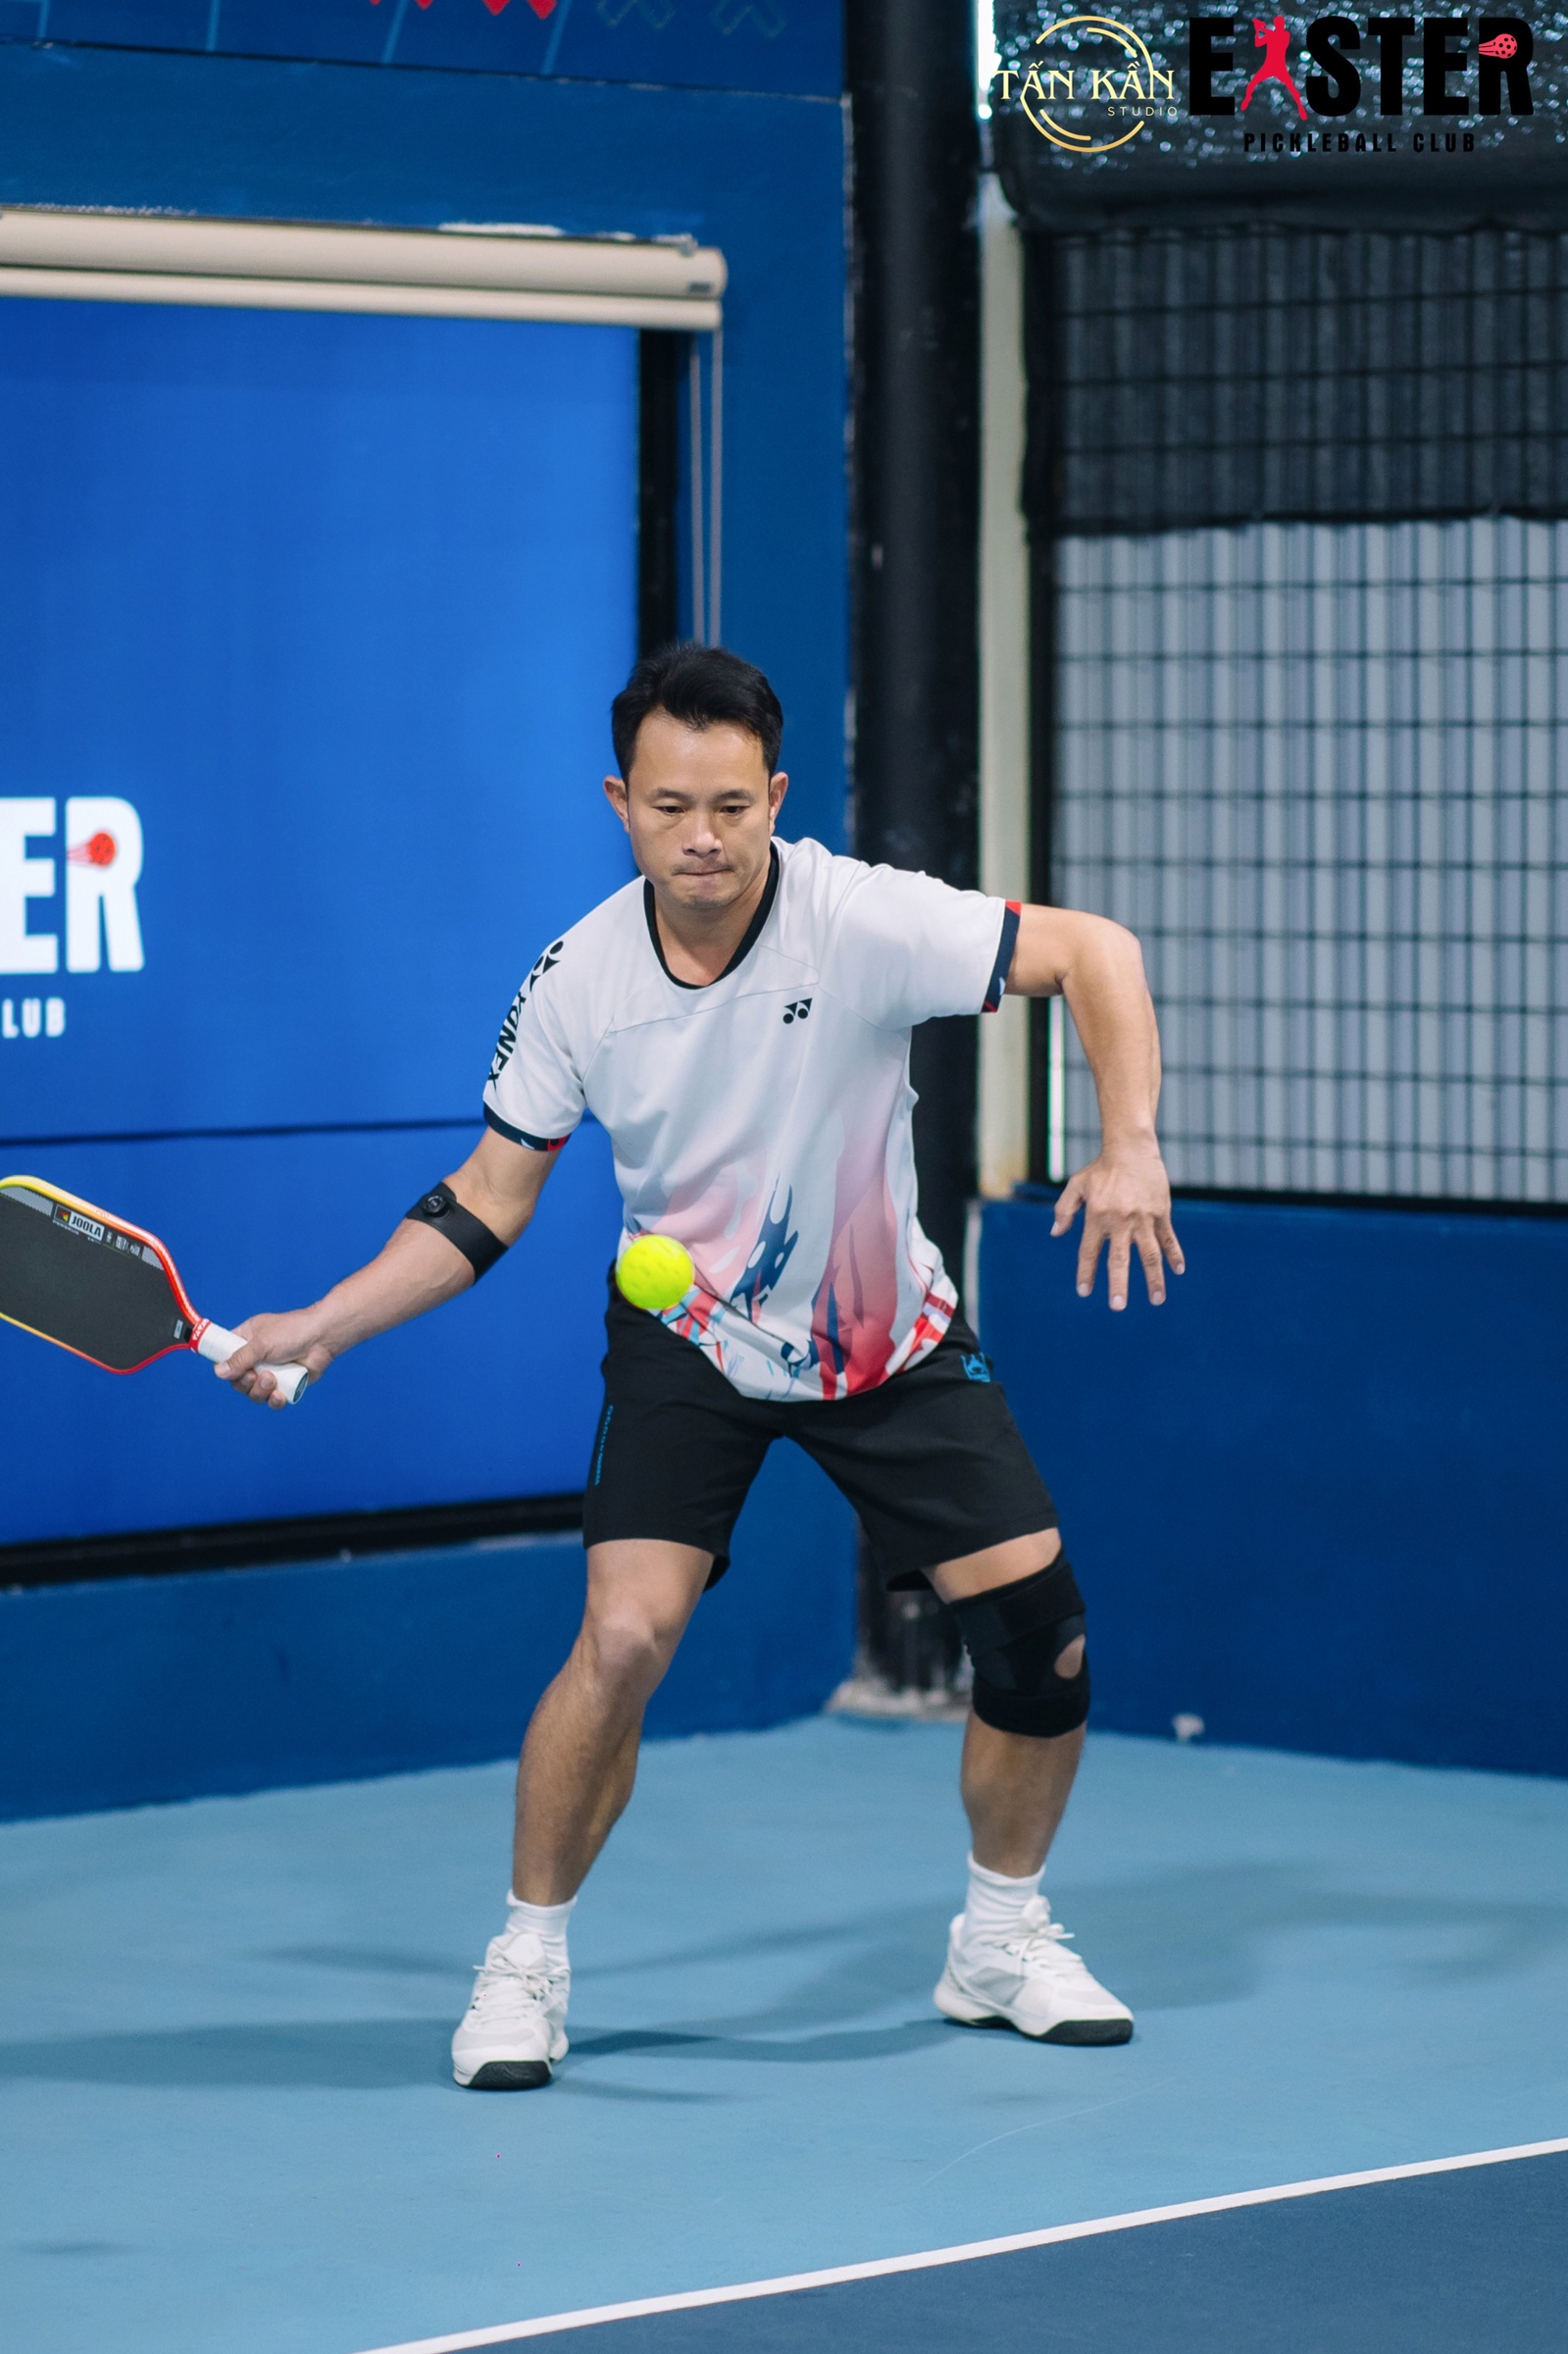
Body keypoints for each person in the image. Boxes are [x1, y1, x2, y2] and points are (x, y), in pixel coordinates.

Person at [221, 643, 1184, 2090]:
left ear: (776, 797)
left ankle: (998, 1939)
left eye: (733, 805)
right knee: (622, 1640)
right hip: (690, 1342)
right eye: (671, 806)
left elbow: (1094, 951)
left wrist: (1130, 1143)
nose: (704, 838)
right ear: (621, 802)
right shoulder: (578, 979)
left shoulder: (860, 920)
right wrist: (323, 1324)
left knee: (1042, 1641)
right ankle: (525, 1962)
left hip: (884, 1338)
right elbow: (487, 1198)